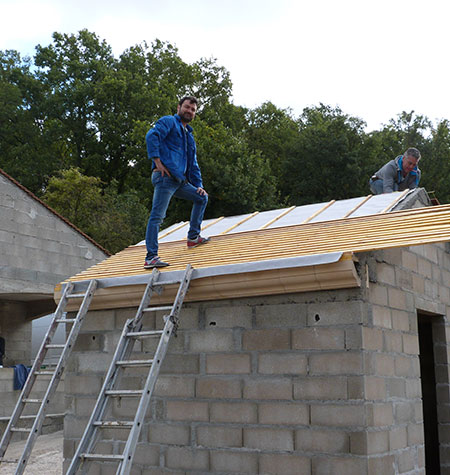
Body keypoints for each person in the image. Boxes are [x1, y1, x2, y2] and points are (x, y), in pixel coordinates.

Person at [144, 96, 210, 269]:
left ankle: (193, 238)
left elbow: (193, 164)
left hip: (179, 180)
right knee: (157, 216)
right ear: (179, 107)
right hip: (165, 178)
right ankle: (151, 257)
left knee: (201, 198)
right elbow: (152, 136)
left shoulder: (189, 136)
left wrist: (199, 185)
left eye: (193, 110)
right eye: (187, 107)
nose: (189, 111)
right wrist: (157, 162)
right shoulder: (169, 122)